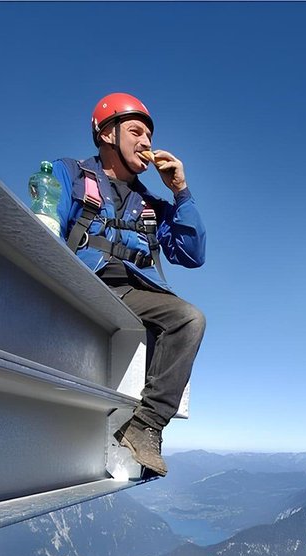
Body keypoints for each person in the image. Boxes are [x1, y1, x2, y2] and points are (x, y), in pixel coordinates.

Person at [51, 92, 207, 476]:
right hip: (82, 283)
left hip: (130, 294)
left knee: (189, 318)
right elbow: (46, 231)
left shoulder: (153, 205)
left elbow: (192, 254)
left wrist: (181, 192)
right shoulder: (70, 174)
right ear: (107, 134)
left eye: (149, 135)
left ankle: (146, 426)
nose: (146, 142)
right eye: (136, 131)